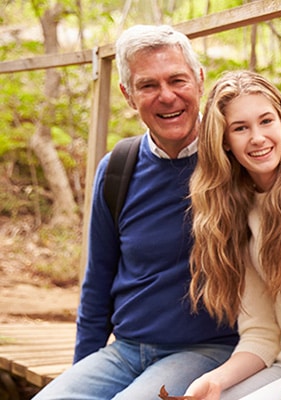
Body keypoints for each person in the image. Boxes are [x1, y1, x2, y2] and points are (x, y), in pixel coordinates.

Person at [34, 25, 239, 399]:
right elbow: (97, 282)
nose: (166, 96)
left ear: (199, 80)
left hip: (207, 349)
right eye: (148, 85)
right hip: (126, 349)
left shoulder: (234, 160)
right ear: (128, 95)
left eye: (177, 80)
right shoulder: (117, 168)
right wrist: (82, 367)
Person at [181, 70, 281, 400]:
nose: (258, 138)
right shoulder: (234, 213)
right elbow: (262, 331)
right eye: (240, 128)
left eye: (266, 121)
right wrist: (217, 380)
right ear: (224, 141)